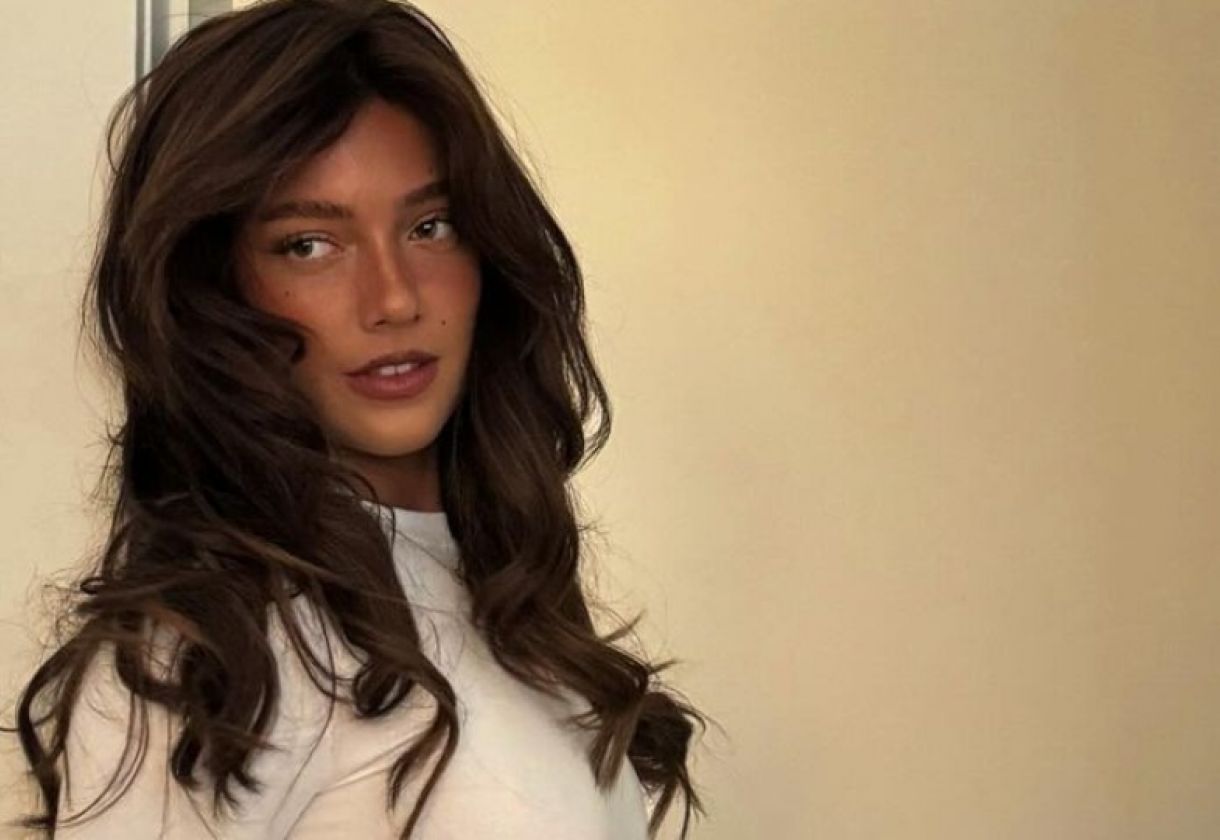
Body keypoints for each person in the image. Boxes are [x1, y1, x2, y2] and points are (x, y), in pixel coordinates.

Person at [3, 1, 706, 837]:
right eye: (309, 244)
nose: (394, 297)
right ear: (213, 288)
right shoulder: (207, 659)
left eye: (430, 226)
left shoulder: (509, 598)